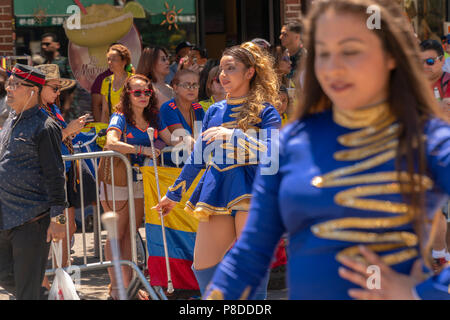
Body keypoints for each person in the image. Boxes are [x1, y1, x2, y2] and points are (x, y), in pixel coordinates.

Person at [203, 0, 450, 300]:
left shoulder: (428, 139)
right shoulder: (293, 141)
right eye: (324, 53)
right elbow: (251, 251)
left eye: (351, 51)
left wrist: (420, 293)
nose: (334, 67)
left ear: (390, 58)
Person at [155, 42, 282, 299]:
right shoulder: (214, 110)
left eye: (231, 68)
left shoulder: (267, 112)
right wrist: (173, 194)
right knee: (203, 267)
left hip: (253, 193)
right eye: (221, 69)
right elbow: (199, 157)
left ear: (250, 72)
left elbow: (274, 155)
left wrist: (232, 135)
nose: (223, 75)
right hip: (217, 190)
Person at [100, 74, 170, 300]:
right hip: (117, 178)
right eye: (137, 92)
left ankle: (128, 286)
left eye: (147, 92)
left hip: (140, 178)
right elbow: (111, 142)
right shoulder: (119, 116)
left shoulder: (154, 117)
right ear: (127, 95)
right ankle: (116, 287)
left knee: (131, 232)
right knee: (116, 234)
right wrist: (142, 150)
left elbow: (166, 139)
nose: (143, 96)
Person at [0, 64, 66, 300]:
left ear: (32, 91)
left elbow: (56, 175)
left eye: (16, 84)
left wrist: (58, 219)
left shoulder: (46, 126)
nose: (9, 88)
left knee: (27, 288)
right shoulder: (11, 118)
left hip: (32, 221)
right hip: (6, 217)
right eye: (9, 82)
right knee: (6, 276)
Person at [34, 64, 94, 293]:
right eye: (54, 88)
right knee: (52, 231)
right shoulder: (33, 113)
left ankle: (62, 281)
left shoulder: (51, 109)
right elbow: (42, 141)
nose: (58, 93)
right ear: (39, 88)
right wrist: (68, 130)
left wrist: (71, 130)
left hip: (63, 175)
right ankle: (46, 285)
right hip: (48, 180)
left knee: (67, 227)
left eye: (60, 89)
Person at [159, 69, 205, 166]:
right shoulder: (168, 107)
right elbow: (182, 136)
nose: (191, 89)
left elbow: (203, 135)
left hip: (194, 164)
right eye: (186, 85)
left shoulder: (198, 109)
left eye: (195, 85)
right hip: (171, 166)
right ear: (175, 88)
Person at [100, 44, 135, 123]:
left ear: (124, 61)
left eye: (114, 59)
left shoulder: (133, 80)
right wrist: (103, 130)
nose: (110, 62)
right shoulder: (106, 81)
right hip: (114, 125)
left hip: (131, 124)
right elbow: (105, 111)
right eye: (108, 59)